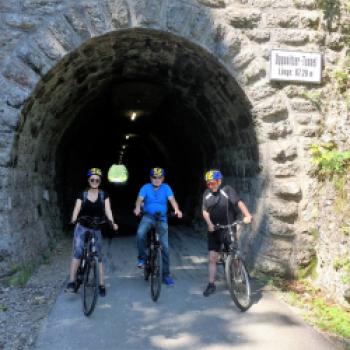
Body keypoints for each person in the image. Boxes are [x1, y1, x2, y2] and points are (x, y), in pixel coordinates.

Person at [65, 168, 118, 296]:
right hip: (82, 226)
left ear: (100, 181)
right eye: (92, 179)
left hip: (96, 227)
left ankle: (101, 284)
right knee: (78, 252)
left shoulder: (103, 194)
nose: (95, 181)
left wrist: (112, 222)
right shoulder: (82, 194)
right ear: (88, 180)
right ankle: (71, 281)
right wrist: (73, 219)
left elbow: (108, 210)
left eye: (97, 180)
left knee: (98, 256)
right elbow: (77, 208)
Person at [202, 169, 252, 297]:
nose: (210, 186)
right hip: (214, 230)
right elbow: (205, 211)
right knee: (212, 257)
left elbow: (239, 202)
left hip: (228, 227)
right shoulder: (206, 194)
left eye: (212, 183)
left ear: (219, 181)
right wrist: (209, 224)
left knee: (233, 254)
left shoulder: (227, 190)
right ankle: (211, 284)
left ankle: (240, 277)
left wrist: (247, 215)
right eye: (208, 184)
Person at [134, 167, 182, 286]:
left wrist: (177, 209)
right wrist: (137, 208)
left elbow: (172, 200)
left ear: (163, 178)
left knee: (165, 247)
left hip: (162, 218)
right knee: (140, 234)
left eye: (159, 177)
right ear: (151, 178)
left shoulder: (166, 188)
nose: (157, 180)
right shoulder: (146, 187)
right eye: (154, 177)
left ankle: (166, 275)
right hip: (148, 217)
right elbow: (139, 199)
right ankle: (142, 258)